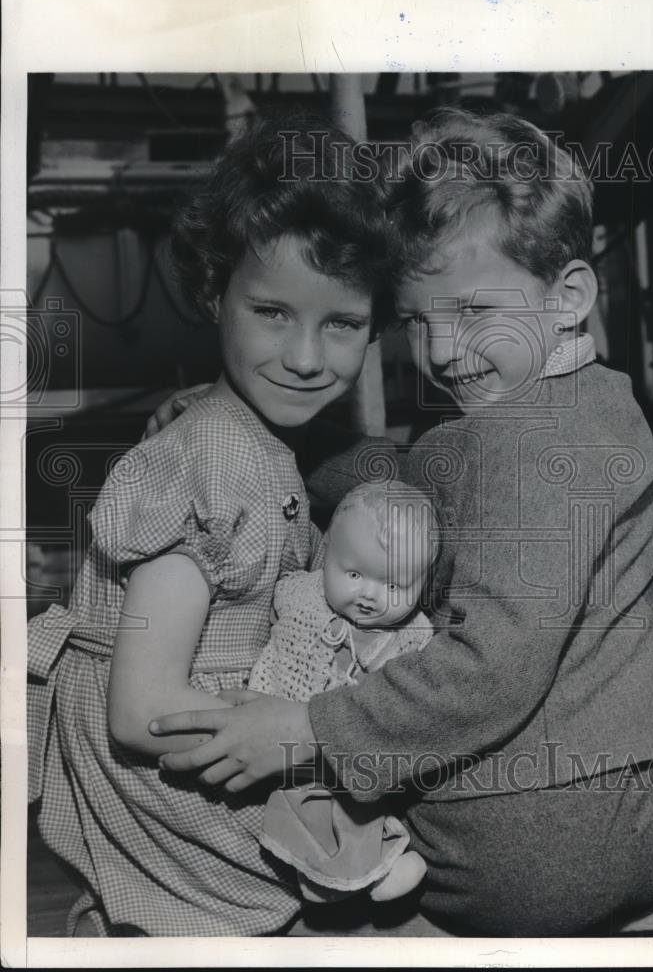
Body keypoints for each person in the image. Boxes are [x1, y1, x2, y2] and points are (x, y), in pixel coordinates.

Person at [149, 108, 653, 937]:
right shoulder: (587, 412)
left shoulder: (539, 446)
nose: (441, 352)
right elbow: (411, 474)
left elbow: (489, 670)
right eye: (415, 321)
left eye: (474, 312)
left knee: (223, 820)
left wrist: (304, 732)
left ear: (570, 298)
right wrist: (277, 430)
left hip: (529, 849)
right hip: (637, 822)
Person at [26, 110, 397, 937]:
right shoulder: (207, 464)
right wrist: (312, 741)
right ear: (211, 293)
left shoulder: (254, 442)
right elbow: (140, 708)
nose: (306, 357)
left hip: (198, 787)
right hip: (173, 823)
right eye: (272, 312)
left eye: (341, 324)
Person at [252, 481, 436, 903]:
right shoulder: (302, 592)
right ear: (328, 556)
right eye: (353, 574)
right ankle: (327, 875)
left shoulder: (409, 635)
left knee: (359, 803)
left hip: (348, 748)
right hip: (280, 722)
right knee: (296, 801)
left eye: (395, 587)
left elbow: (407, 695)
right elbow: (270, 594)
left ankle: (367, 869)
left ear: (422, 583)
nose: (370, 595)